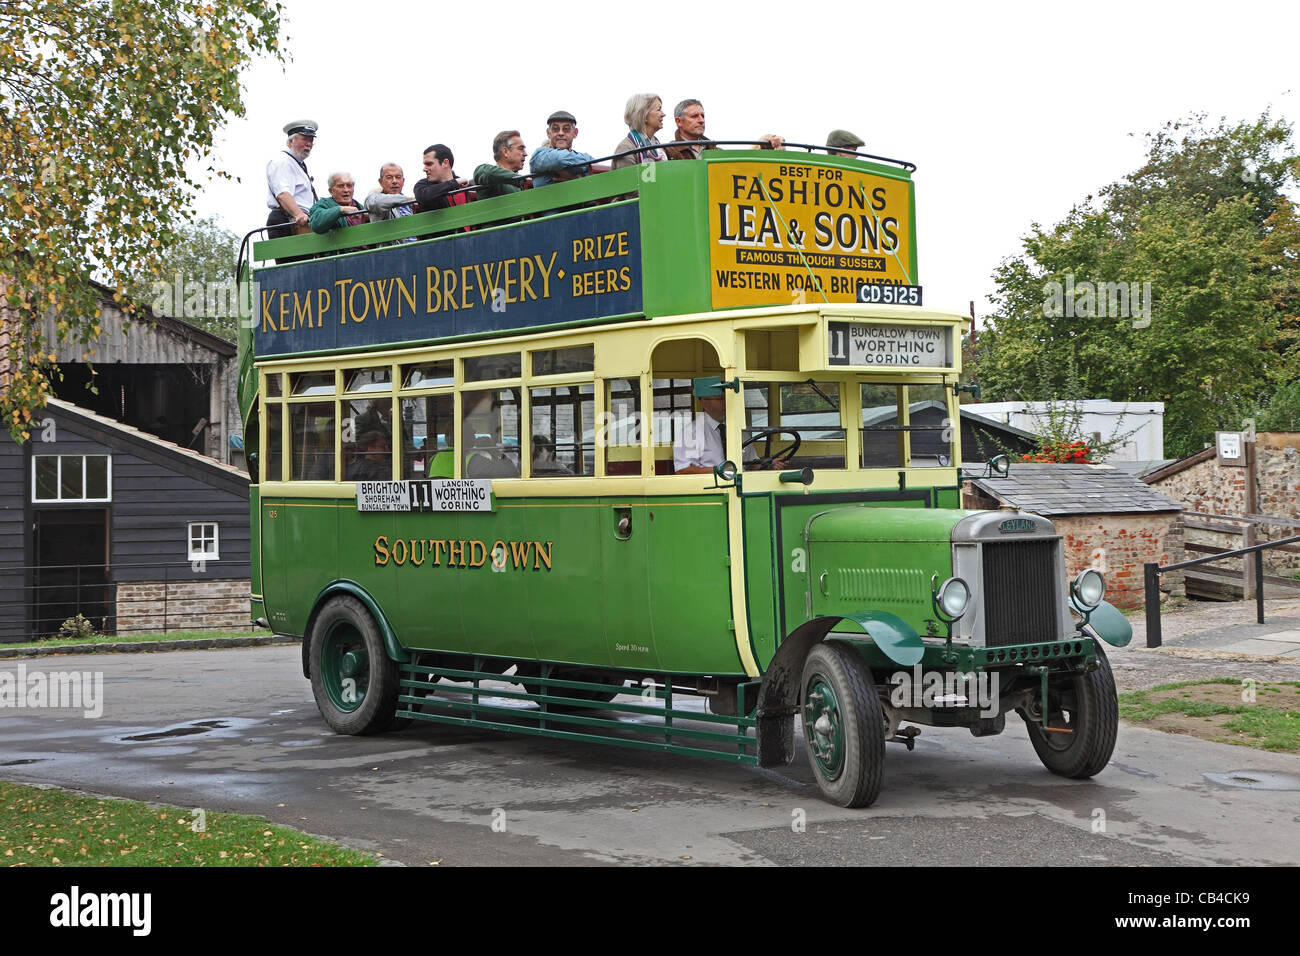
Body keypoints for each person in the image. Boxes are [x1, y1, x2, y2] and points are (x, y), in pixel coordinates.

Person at [673, 377, 786, 474]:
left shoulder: (739, 429)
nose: (726, 403)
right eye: (720, 399)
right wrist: (721, 471)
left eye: (727, 398)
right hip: (711, 492)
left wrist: (769, 465)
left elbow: (751, 464)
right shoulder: (691, 433)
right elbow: (683, 470)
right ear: (704, 402)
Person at [664, 99, 783, 160]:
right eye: (694, 116)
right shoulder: (668, 151)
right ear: (679, 121)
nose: (701, 120)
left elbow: (744, 168)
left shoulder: (716, 151)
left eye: (703, 116)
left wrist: (766, 146)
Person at [265, 119, 318, 236]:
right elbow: (283, 194)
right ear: (290, 142)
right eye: (304, 139)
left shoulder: (297, 164)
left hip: (299, 221)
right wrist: (299, 215)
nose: (309, 144)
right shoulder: (283, 161)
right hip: (289, 221)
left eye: (311, 140)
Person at [529, 110, 595, 187]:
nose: (561, 133)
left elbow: (596, 171)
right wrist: (581, 172)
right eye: (555, 129)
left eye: (566, 129)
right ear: (548, 133)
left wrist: (575, 177)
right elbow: (559, 160)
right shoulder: (539, 155)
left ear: (575, 133)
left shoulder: (586, 158)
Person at [611, 94, 666, 169]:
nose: (663, 114)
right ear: (644, 115)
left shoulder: (657, 144)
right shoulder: (625, 148)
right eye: (659, 109)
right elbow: (627, 180)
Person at [364, 163, 417, 239]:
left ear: (403, 181)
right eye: (389, 177)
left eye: (398, 177)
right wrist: (406, 199)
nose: (394, 181)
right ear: (380, 181)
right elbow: (377, 203)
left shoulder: (411, 205)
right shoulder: (374, 198)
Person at [414, 144, 472, 211]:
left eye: (429, 164)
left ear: (445, 163)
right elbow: (424, 197)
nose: (424, 169)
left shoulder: (465, 185)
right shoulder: (422, 186)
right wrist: (456, 182)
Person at [474, 131, 529, 198]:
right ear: (505, 151)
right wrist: (521, 180)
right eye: (521, 149)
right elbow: (485, 172)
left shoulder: (519, 184)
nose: (525, 154)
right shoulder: (489, 176)